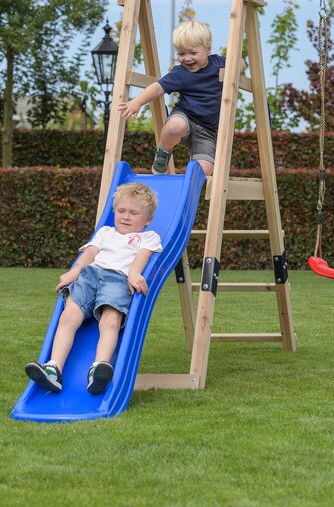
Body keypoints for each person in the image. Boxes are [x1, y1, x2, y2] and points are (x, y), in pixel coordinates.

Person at [25, 183, 162, 394]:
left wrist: (135, 274)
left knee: (111, 319)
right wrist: (74, 272)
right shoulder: (105, 232)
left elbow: (142, 257)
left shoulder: (148, 237)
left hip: (118, 279)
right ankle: (54, 369)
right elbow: (89, 255)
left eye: (134, 213)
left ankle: (98, 368)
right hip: (90, 276)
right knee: (68, 315)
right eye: (121, 211)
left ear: (148, 219)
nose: (125, 216)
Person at [117, 19, 241, 177]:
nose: (187, 58)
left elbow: (240, 62)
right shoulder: (180, 73)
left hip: (208, 131)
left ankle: (183, 186)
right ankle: (163, 151)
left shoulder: (219, 63)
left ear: (208, 49)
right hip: (186, 118)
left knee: (204, 172)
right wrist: (137, 102)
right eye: (181, 53)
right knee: (175, 126)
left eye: (193, 53)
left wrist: (236, 70)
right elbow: (158, 87)